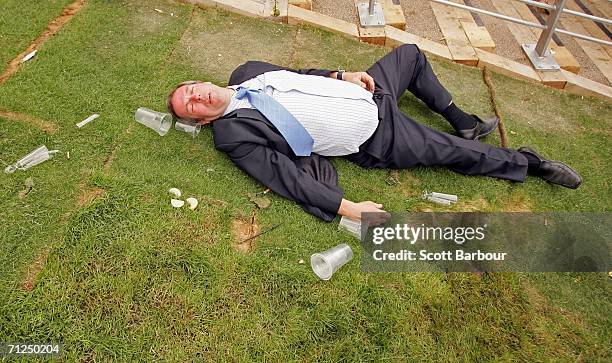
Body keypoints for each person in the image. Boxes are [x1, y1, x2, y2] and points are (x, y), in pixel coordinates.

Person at [166, 44, 581, 222]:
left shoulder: (245, 72)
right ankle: (531, 163)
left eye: (188, 90)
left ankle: (462, 118)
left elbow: (298, 75)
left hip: (369, 92)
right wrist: (348, 208)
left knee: (410, 56)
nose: (195, 97)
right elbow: (284, 177)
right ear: (202, 120)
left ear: (198, 81)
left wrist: (341, 74)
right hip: (376, 134)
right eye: (190, 106)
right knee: (455, 153)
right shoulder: (232, 135)